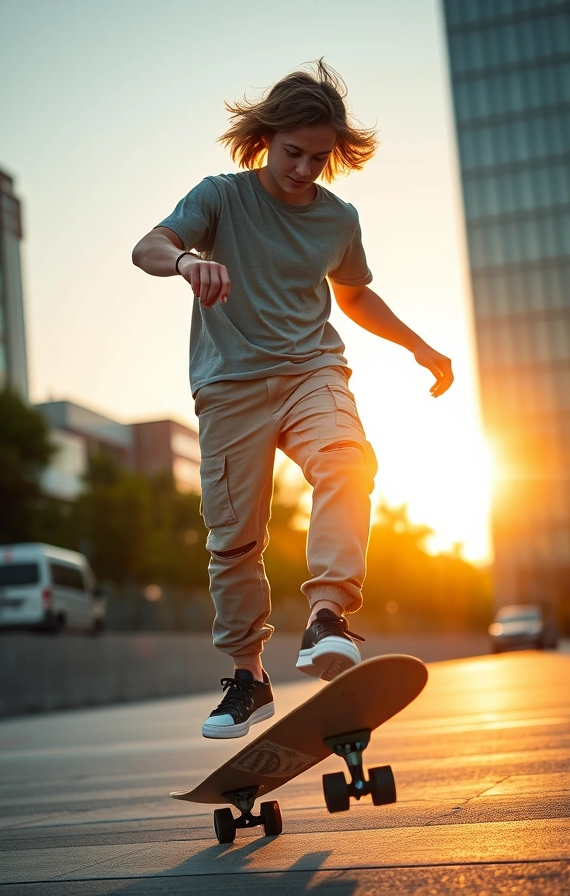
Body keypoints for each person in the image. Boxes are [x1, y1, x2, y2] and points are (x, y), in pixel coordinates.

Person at [132, 60, 453, 740]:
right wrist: (189, 262)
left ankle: (328, 614)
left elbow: (355, 294)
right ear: (266, 137)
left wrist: (418, 346)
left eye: (319, 157)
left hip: (313, 371)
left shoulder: (339, 218)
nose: (304, 169)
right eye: (292, 153)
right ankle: (249, 678)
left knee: (348, 460)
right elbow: (149, 247)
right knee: (234, 541)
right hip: (230, 386)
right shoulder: (220, 197)